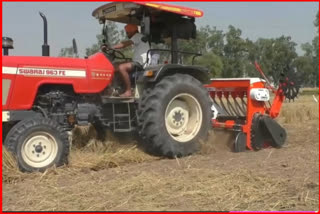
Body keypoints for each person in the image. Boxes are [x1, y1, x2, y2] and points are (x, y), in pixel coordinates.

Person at [111, 24, 150, 97]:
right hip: (136, 61)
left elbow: (124, 44)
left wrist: (112, 47)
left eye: (127, 33)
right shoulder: (139, 38)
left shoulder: (138, 36)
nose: (127, 35)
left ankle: (128, 91)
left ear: (133, 31)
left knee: (122, 67)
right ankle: (117, 88)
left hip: (141, 63)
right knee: (115, 65)